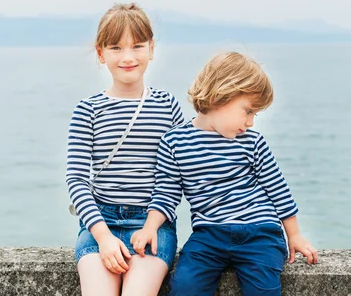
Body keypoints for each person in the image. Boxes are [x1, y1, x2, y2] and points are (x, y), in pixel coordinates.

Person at [131, 51, 318, 296]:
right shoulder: (174, 142)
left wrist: (294, 235)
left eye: (254, 114)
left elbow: (278, 189)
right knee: (185, 286)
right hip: (209, 234)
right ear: (222, 95)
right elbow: (166, 193)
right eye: (248, 111)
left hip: (260, 232)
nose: (250, 122)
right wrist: (149, 228)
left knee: (263, 291)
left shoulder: (253, 142)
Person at [66, 3, 184, 296]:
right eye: (116, 47)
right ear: (100, 53)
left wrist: (152, 225)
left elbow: (175, 178)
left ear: (152, 49)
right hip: (99, 225)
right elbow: (77, 181)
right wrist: (103, 238)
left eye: (138, 46)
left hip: (153, 226)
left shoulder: (168, 107)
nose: (128, 57)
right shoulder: (87, 111)